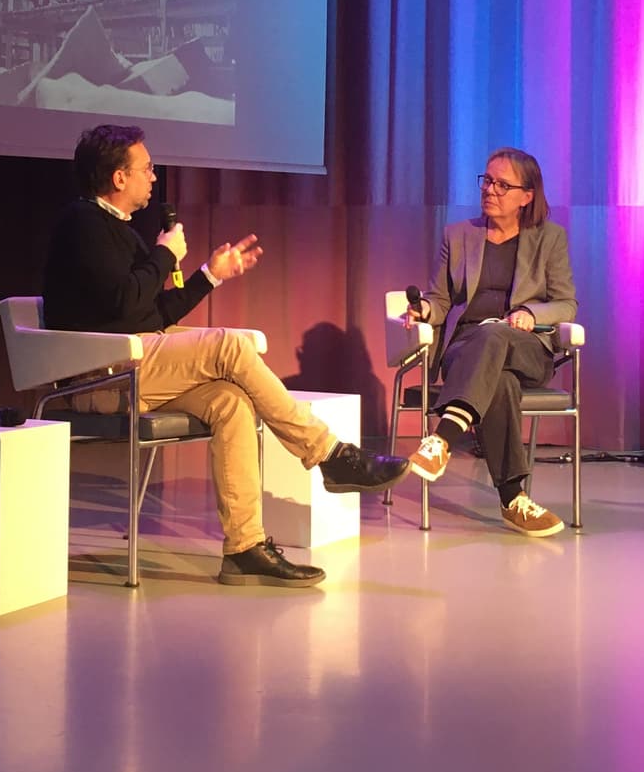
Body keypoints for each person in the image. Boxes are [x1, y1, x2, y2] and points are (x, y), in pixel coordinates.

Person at [43, 125, 411, 586]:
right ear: (119, 178)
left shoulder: (121, 232)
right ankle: (329, 454)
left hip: (134, 366)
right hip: (97, 378)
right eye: (147, 169)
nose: (154, 178)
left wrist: (209, 275)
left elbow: (151, 312)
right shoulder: (81, 225)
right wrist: (161, 255)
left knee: (230, 403)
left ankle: (244, 548)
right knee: (230, 345)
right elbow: (126, 305)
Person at [403, 147, 576, 536]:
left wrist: (533, 314)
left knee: (497, 333)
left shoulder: (550, 239)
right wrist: (423, 313)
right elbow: (441, 300)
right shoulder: (458, 235)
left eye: (502, 184)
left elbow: (566, 303)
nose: (490, 190)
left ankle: (443, 436)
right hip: (468, 351)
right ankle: (514, 500)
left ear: (526, 196)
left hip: (527, 347)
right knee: (499, 378)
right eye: (487, 180)